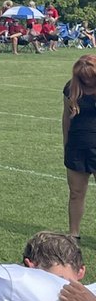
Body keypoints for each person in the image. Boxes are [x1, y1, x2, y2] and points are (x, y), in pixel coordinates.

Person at [65, 55, 96, 241]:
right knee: (76, 193)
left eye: (90, 77)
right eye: (83, 77)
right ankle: (73, 234)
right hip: (77, 146)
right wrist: (66, 143)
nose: (87, 80)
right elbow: (65, 118)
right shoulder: (71, 88)